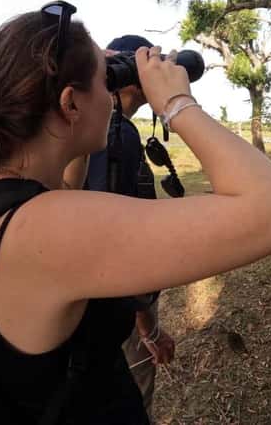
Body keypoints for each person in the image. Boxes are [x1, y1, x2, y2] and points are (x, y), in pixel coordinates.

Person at [0, 1, 271, 424]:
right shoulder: (51, 230)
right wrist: (176, 103)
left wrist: (75, 133)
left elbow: (60, 190)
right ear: (70, 103)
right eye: (104, 82)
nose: (111, 96)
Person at [77, 34, 174, 423]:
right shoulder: (116, 134)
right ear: (135, 77)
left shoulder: (101, 129)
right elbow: (113, 242)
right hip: (119, 312)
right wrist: (147, 328)